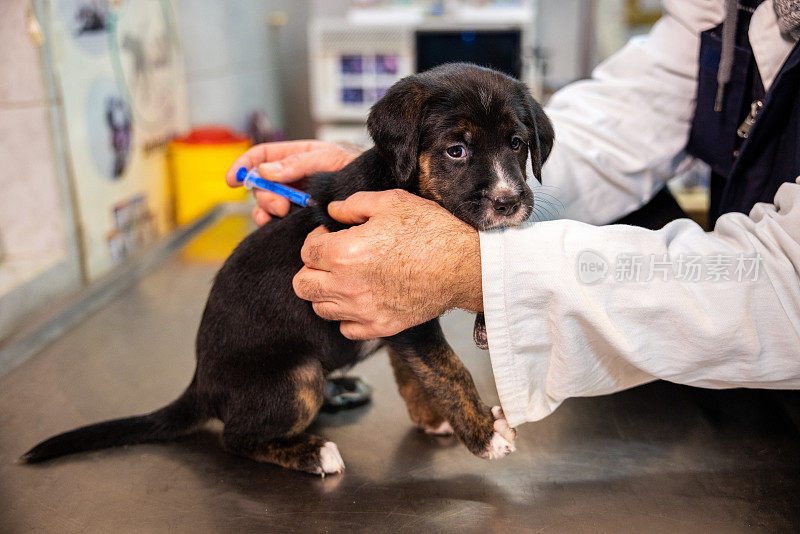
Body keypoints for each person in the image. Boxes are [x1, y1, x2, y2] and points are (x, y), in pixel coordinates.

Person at [225, 0, 800, 427]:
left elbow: (788, 282)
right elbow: (618, 129)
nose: (507, 187)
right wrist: (391, 172)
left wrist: (482, 269)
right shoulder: (734, 9)